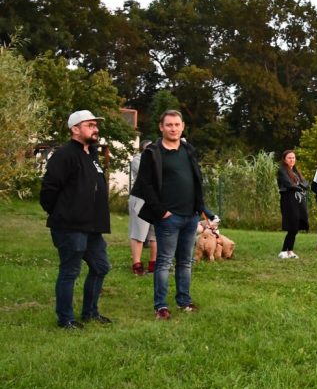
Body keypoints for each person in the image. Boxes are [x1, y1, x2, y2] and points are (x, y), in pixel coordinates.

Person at [39, 110, 113, 329]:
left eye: (95, 125)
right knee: (70, 271)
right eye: (90, 125)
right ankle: (66, 319)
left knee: (101, 266)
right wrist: (62, 213)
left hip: (92, 227)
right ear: (75, 129)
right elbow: (48, 191)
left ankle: (90, 313)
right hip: (69, 226)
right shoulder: (64, 155)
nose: (95, 128)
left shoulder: (91, 154)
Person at [131, 110, 206, 319]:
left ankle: (184, 301)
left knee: (185, 261)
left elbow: (197, 179)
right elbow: (144, 185)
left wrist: (199, 208)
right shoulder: (153, 153)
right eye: (169, 125)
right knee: (164, 262)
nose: (173, 128)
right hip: (168, 218)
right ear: (161, 127)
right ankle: (161, 306)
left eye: (177, 124)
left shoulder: (188, 150)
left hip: (190, 216)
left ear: (182, 126)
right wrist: (161, 211)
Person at [128, 139, 157, 275]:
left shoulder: (158, 159)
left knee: (155, 234)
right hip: (140, 199)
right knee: (139, 233)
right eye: (149, 148)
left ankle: (153, 264)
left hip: (156, 200)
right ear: (143, 149)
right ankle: (137, 265)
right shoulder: (137, 159)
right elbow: (148, 175)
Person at [277, 150, 309, 259]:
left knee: (296, 225)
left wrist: (300, 185)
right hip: (288, 200)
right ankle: (283, 251)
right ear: (284, 159)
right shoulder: (282, 171)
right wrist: (299, 186)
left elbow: (305, 183)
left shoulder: (295, 171)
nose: (292, 160)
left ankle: (290, 251)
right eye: (289, 158)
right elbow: (289, 184)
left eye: (294, 158)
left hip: (298, 200)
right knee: (292, 225)